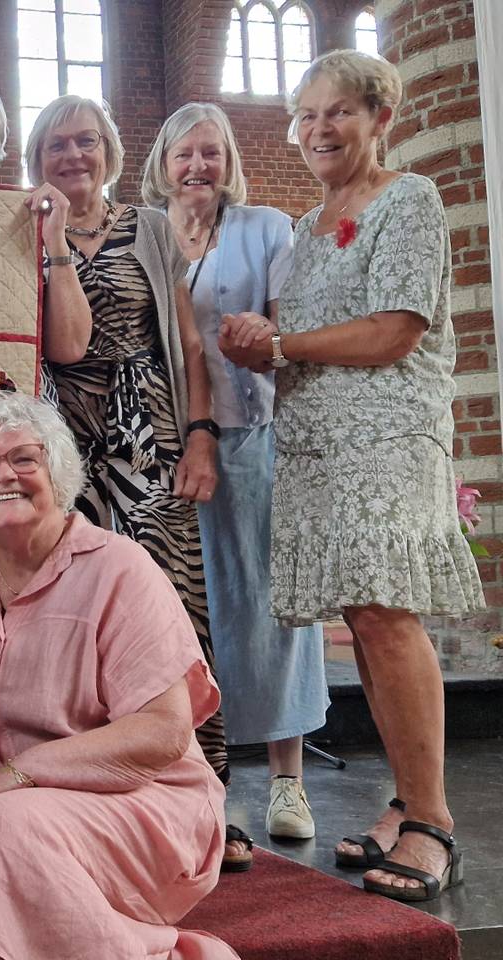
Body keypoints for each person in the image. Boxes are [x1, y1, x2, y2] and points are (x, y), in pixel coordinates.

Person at [221, 49, 482, 902]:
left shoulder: (407, 200)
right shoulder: (306, 225)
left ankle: (433, 824)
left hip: (386, 441)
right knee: (367, 621)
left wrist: (281, 344)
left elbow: (396, 330)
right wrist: (257, 340)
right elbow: (309, 333)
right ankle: (401, 805)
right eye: (306, 116)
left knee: (386, 614)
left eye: (338, 113)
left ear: (379, 119)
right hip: (319, 448)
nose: (318, 130)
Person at [0, 391, 237, 960]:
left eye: (24, 459)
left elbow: (162, 732)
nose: (3, 475)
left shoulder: (120, 567)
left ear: (56, 470)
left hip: (146, 808)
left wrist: (13, 779)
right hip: (0, 819)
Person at [18, 94, 241, 860]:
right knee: (79, 616)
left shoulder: (149, 226)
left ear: (111, 150)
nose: (74, 155)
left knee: (176, 611)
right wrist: (51, 241)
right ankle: (103, 793)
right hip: (65, 447)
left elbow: (188, 342)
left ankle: (205, 793)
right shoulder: (26, 227)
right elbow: (69, 346)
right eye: (57, 144)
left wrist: (202, 438)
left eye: (86, 141)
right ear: (38, 157)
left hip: (149, 433)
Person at [143, 102, 328, 844]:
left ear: (229, 164)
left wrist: (268, 340)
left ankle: (288, 782)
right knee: (187, 607)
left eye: (211, 154)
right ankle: (198, 775)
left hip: (254, 437)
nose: (198, 167)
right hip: (165, 442)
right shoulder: (147, 233)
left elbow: (291, 337)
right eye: (185, 154)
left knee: (272, 604)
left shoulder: (266, 228)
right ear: (162, 163)